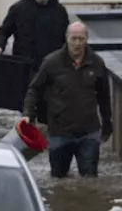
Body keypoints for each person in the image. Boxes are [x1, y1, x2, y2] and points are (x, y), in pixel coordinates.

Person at [21, 21, 113, 178]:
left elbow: (104, 96)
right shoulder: (52, 62)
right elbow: (34, 89)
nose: (77, 43)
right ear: (66, 38)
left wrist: (107, 123)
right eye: (74, 39)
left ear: (87, 39)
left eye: (81, 39)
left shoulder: (96, 63)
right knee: (58, 179)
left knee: (89, 180)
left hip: (88, 132)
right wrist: (28, 114)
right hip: (60, 132)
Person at [0, 0, 70, 122]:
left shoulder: (59, 12)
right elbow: (4, 30)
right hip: (25, 69)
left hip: (50, 70)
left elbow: (65, 40)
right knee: (26, 111)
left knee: (47, 112)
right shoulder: (19, 9)